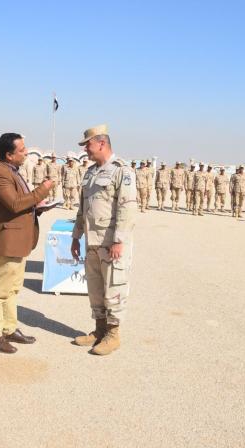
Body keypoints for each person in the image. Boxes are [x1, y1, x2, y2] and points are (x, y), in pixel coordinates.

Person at [0, 132, 53, 354]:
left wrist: (38, 207)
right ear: (9, 154)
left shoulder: (13, 171)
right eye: (22, 150)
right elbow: (14, 204)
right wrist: (42, 190)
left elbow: (21, 204)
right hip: (7, 241)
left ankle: (9, 328)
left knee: (13, 289)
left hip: (19, 241)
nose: (26, 153)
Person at [71, 124, 137, 356]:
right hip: (91, 241)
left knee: (113, 288)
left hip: (111, 243)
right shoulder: (90, 172)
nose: (85, 149)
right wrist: (76, 236)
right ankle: (99, 330)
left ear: (101, 143)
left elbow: (127, 208)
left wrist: (119, 240)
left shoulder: (122, 171)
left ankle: (113, 334)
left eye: (87, 144)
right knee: (96, 289)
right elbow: (83, 207)